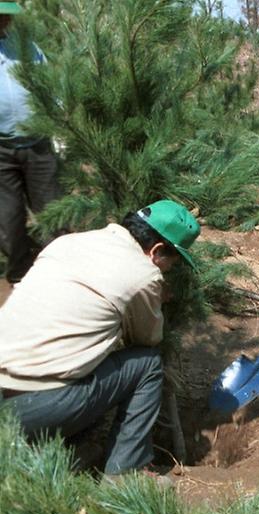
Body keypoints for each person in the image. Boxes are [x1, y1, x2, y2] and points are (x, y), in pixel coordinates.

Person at [0, 199, 200, 480]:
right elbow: (147, 338)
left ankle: (66, 447)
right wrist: (155, 299)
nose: (170, 269)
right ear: (156, 251)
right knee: (146, 364)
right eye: (173, 261)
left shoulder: (68, 242)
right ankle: (126, 474)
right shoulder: (143, 274)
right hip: (26, 413)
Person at [0, 1, 62, 283]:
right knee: (8, 220)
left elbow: (49, 84)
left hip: (38, 144)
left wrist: (60, 123)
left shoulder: (27, 46)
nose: (4, 22)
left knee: (53, 213)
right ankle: (19, 275)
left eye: (6, 17)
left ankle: (62, 272)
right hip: (1, 150)